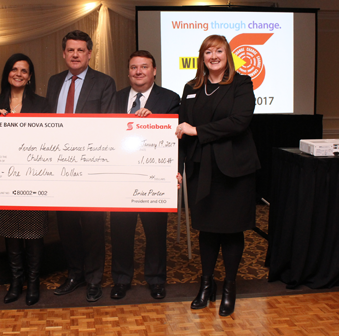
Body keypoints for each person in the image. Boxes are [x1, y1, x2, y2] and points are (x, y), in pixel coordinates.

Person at [175, 35, 261, 316]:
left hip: (234, 170)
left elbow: (239, 122)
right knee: (207, 229)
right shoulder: (190, 88)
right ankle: (206, 284)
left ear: (228, 54)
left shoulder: (241, 83)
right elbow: (180, 131)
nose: (213, 56)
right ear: (202, 56)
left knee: (232, 230)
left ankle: (229, 287)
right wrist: (176, 167)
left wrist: (199, 131)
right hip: (201, 168)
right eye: (208, 51)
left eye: (219, 51)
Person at [45, 30, 116, 302]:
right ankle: (75, 273)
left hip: (91, 167)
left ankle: (94, 278)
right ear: (64, 54)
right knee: (67, 224)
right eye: (70, 50)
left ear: (89, 53)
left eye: (80, 50)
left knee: (93, 224)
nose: (75, 54)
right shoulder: (53, 82)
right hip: (60, 167)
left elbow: (108, 123)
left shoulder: (104, 82)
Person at [110, 50, 180, 300]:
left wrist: (154, 122)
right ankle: (120, 279)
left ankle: (156, 279)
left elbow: (175, 136)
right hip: (120, 177)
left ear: (154, 70)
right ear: (128, 72)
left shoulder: (170, 98)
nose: (138, 72)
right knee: (120, 231)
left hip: (154, 178)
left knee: (156, 232)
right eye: (133, 67)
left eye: (144, 67)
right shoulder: (115, 98)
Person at [0, 53, 50, 306]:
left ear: (30, 76)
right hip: (5, 180)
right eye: (14, 69)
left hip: (34, 178)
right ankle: (16, 282)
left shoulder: (42, 104)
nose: (19, 74)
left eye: (24, 71)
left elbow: (48, 140)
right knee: (10, 232)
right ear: (7, 73)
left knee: (34, 233)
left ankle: (33, 283)